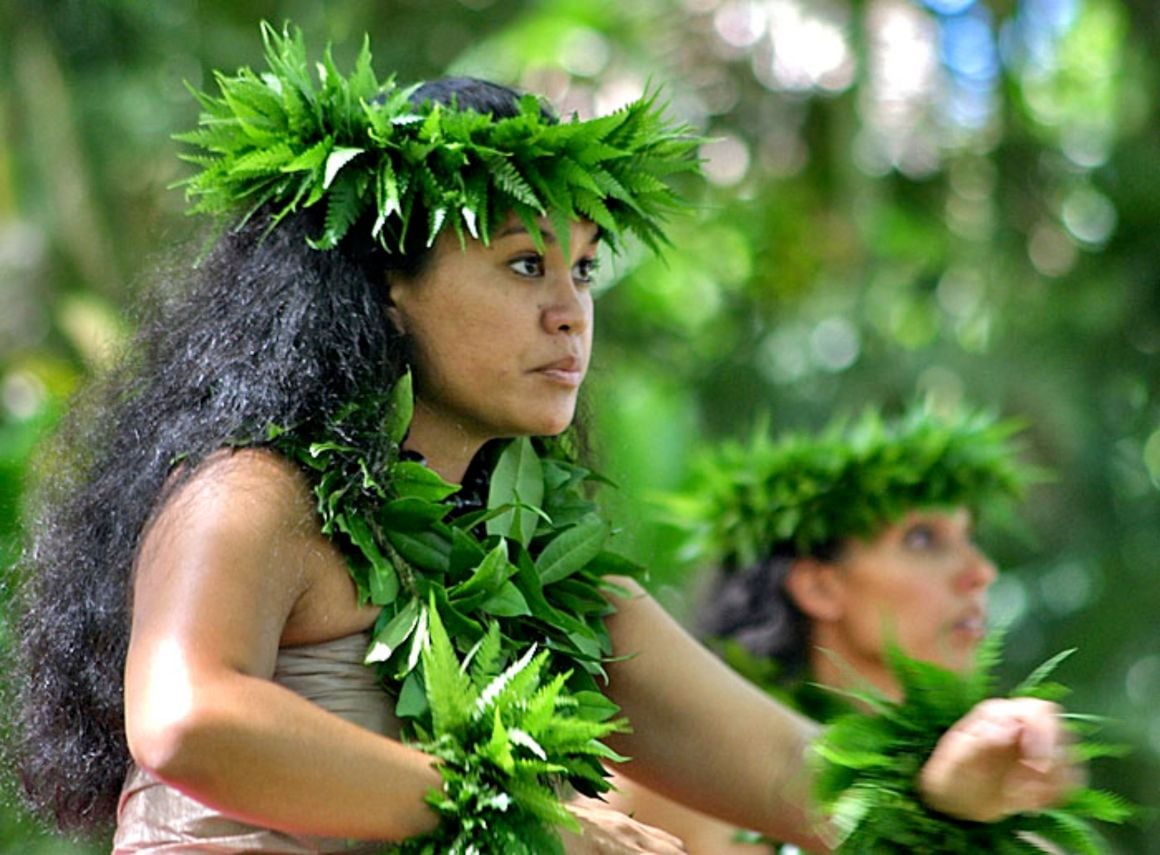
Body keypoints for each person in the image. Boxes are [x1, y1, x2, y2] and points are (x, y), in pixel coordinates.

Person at [7, 24, 1076, 855]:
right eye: (524, 264)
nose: (569, 311)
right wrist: (532, 819)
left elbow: (789, 773)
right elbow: (190, 720)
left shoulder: (553, 582)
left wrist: (942, 786)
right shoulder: (254, 496)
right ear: (386, 289)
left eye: (583, 268)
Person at [606, 407, 1050, 853]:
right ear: (818, 585)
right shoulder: (677, 787)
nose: (980, 571)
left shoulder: (990, 816)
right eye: (922, 538)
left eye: (969, 537)